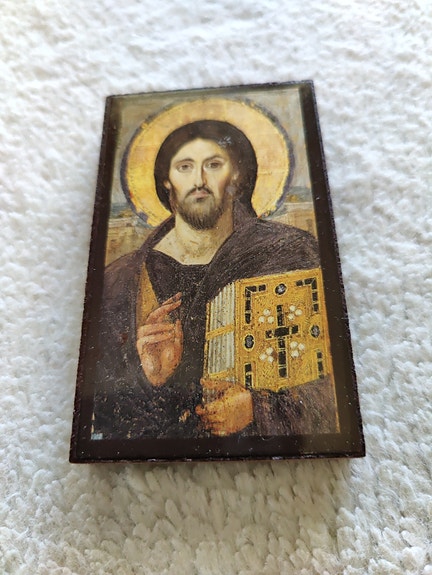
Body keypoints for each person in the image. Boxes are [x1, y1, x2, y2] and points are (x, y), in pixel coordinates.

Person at [93, 120, 337, 439]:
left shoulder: (288, 253)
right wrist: (148, 379)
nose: (199, 180)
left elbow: (329, 391)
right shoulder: (121, 281)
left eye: (213, 165)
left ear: (235, 175)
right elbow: (105, 418)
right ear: (167, 181)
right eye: (185, 167)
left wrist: (259, 408)